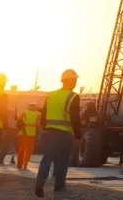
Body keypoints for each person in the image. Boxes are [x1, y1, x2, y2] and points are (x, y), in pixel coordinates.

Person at [35, 69, 81, 198]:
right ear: (72, 81)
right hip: (65, 134)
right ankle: (59, 185)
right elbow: (75, 118)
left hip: (49, 132)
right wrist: (78, 136)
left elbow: (43, 114)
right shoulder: (73, 96)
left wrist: (46, 127)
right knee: (62, 161)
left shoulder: (52, 95)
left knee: (46, 159)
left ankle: (39, 185)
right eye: (75, 80)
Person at [17, 103, 41, 169]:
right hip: (32, 133)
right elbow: (38, 125)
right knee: (29, 150)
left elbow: (19, 121)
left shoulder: (24, 112)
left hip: (23, 133)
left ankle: (19, 164)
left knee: (21, 149)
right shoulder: (38, 114)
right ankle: (25, 165)